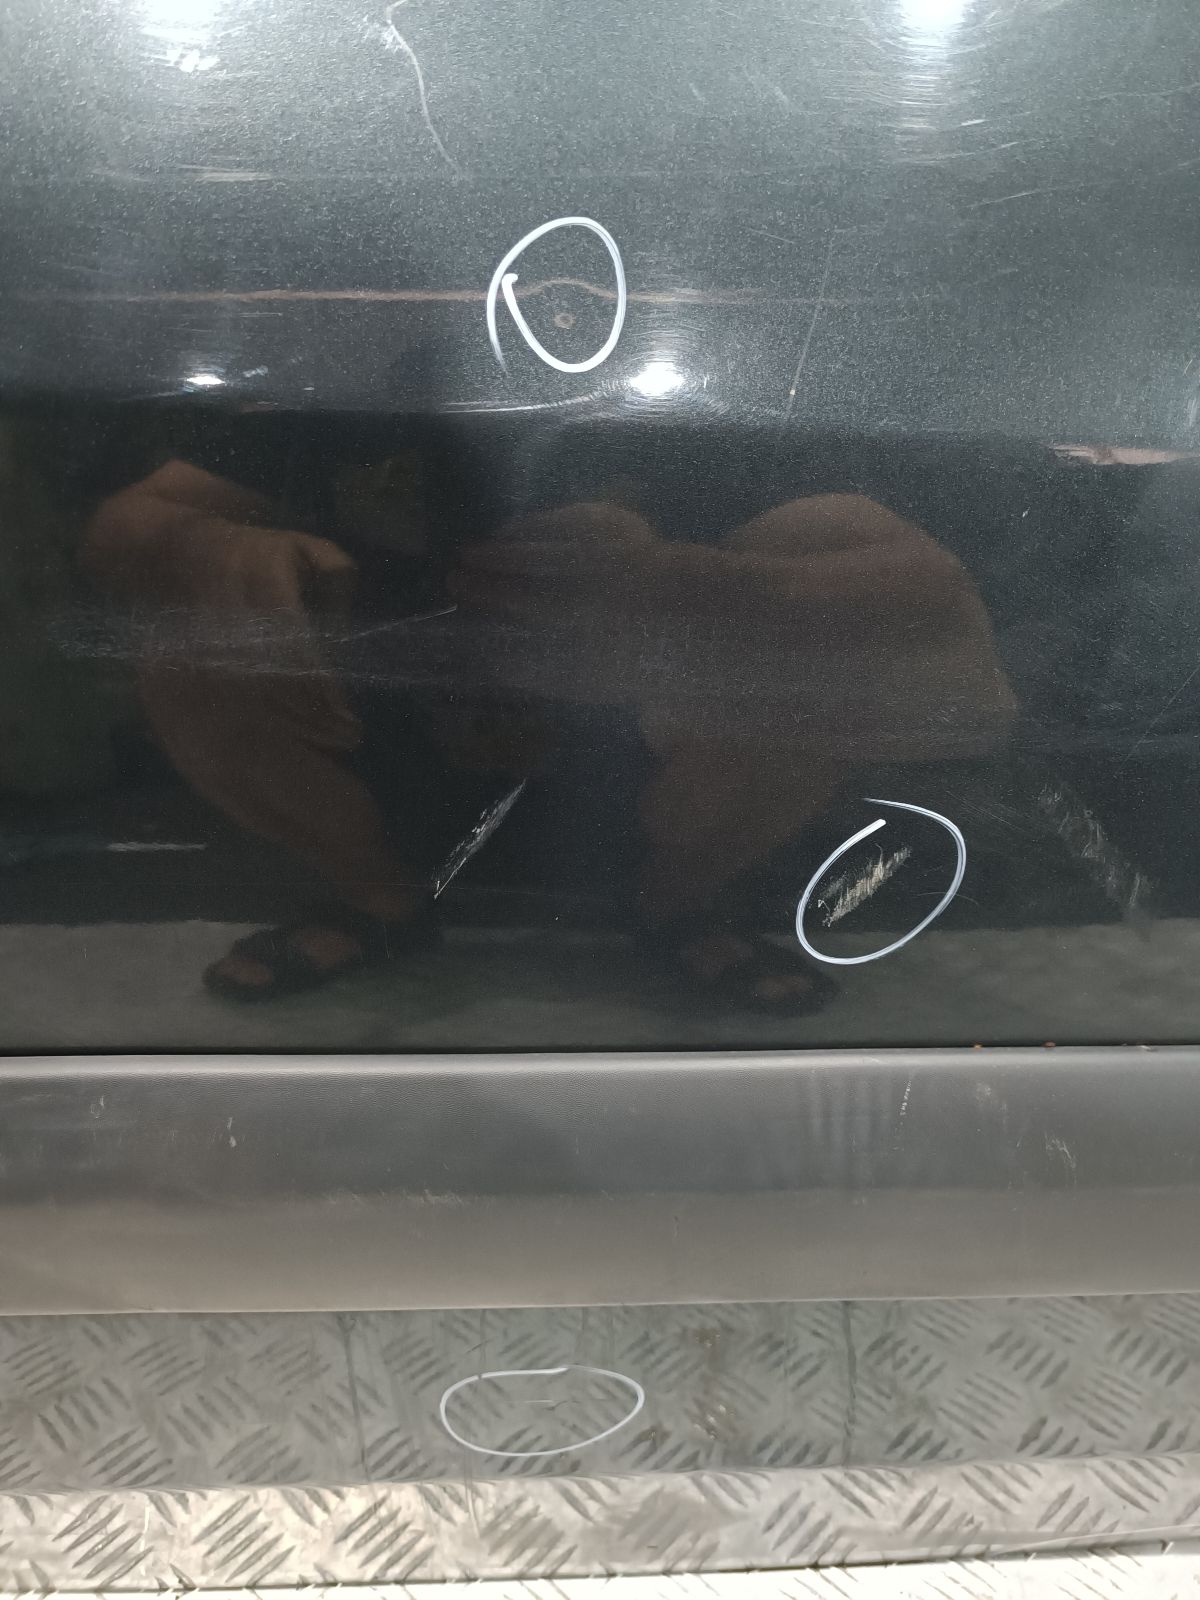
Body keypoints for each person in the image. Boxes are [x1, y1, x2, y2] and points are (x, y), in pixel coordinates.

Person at [82, 420, 1015, 1008]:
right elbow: (127, 526)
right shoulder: (355, 389)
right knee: (183, 613)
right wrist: (210, 555)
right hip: (388, 756)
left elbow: (939, 620)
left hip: (665, 780)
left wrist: (688, 588)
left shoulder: (696, 413)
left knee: (827, 568)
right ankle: (378, 897)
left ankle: (676, 900)